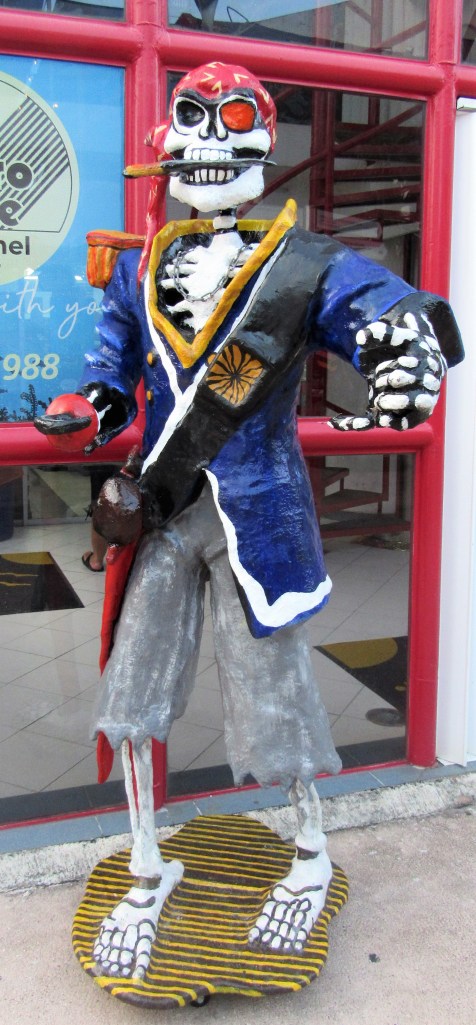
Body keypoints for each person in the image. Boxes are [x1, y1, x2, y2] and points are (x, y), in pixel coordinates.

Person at [35, 62, 463, 980]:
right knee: (134, 693)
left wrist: (404, 351)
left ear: (265, 145)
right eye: (194, 118)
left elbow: (382, 311)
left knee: (274, 692)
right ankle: (145, 860)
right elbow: (113, 373)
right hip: (164, 510)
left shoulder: (306, 263)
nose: (213, 141)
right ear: (166, 147)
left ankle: (309, 852)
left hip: (258, 516)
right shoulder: (137, 267)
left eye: (235, 119)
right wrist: (86, 409)